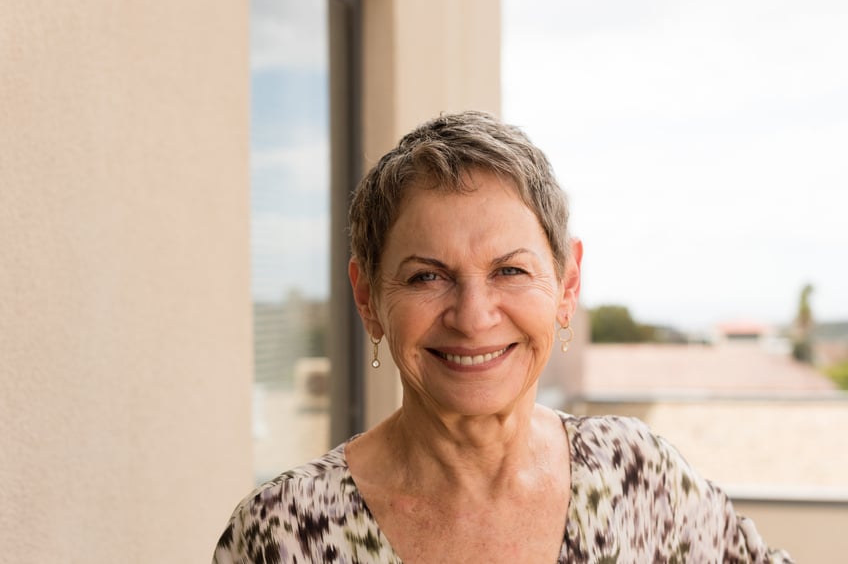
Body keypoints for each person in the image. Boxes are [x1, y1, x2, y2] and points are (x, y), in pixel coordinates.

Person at [213, 111, 792, 563]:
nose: (472, 316)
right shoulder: (283, 533)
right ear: (368, 299)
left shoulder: (638, 477)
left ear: (566, 285)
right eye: (427, 276)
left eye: (509, 271)